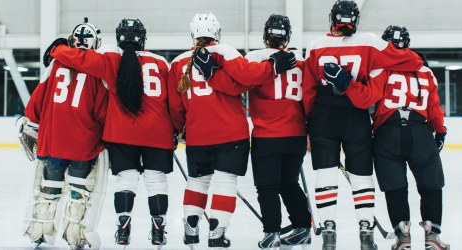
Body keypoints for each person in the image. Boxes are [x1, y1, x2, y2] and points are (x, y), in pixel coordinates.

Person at [302, 1, 425, 249]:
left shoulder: (314, 46)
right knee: (361, 176)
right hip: (356, 117)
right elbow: (414, 62)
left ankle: (328, 230)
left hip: (323, 118)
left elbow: (307, 91)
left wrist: (310, 123)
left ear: (332, 19)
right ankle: (366, 230)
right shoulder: (370, 42)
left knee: (325, 175)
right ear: (355, 20)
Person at [168, 13, 296, 250]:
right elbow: (247, 76)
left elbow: (175, 106)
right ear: (216, 32)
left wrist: (177, 130)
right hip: (231, 134)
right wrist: (273, 66)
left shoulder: (177, 63)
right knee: (226, 182)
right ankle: (217, 233)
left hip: (197, 136)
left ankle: (191, 228)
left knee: (197, 182)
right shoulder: (226, 51)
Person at [45, 18, 174, 249]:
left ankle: (123, 232)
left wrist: (57, 49)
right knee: (157, 181)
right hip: (158, 133)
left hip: (122, 134)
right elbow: (174, 102)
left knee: (126, 180)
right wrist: (177, 130)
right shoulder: (162, 62)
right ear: (143, 38)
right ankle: (158, 231)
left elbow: (79, 57)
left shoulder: (110, 59)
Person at [343, 25, 449, 250]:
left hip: (387, 134)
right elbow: (434, 108)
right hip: (420, 133)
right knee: (431, 187)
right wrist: (440, 131)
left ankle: (403, 238)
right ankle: (432, 237)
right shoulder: (426, 71)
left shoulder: (379, 69)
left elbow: (364, 99)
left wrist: (345, 83)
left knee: (395, 188)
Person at [21, 18, 110, 249]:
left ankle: (40, 233)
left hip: (54, 143)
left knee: (49, 190)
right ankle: (76, 236)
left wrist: (32, 123)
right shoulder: (99, 69)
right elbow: (102, 112)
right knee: (79, 193)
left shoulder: (55, 64)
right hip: (84, 144)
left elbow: (36, 103)